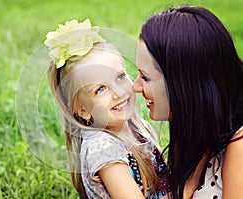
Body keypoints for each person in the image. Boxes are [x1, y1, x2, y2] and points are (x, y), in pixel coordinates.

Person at [44, 19, 169, 199]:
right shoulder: (102, 147)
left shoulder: (135, 127)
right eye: (100, 89)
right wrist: (189, 186)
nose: (118, 93)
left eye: (120, 77)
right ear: (81, 110)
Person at [133, 5, 243, 199]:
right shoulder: (199, 131)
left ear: (184, 84)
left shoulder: (239, 146)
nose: (136, 86)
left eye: (146, 77)